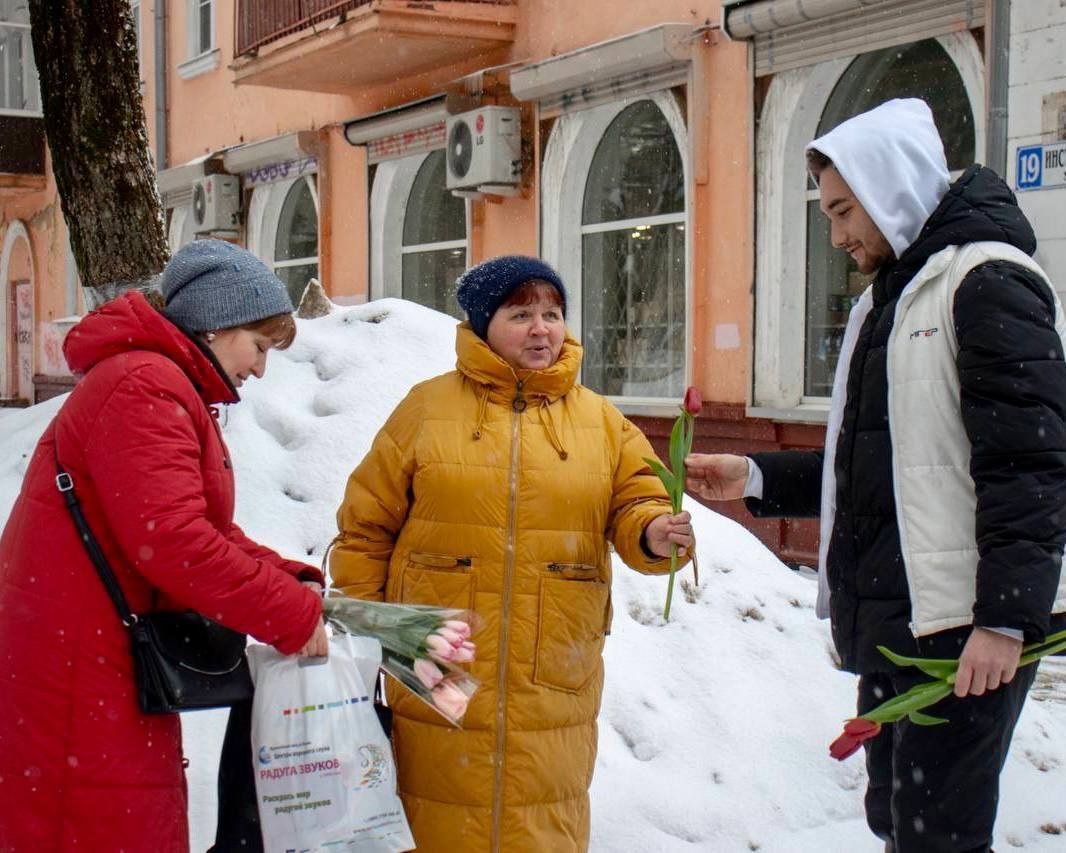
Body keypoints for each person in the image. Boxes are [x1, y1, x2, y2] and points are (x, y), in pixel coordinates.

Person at [686, 98, 1066, 852]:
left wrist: (1004, 620)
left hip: (964, 627)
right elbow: (879, 463)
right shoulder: (890, 300)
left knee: (940, 836)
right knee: (900, 821)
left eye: (844, 210)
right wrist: (755, 475)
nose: (838, 236)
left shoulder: (985, 282)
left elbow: (1031, 463)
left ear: (891, 184)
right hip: (906, 621)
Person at [330, 255, 694, 852]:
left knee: (541, 809)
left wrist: (654, 534)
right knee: (435, 809)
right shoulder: (426, 408)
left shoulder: (601, 422)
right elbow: (366, 528)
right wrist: (368, 627)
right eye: (520, 313)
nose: (541, 329)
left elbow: (638, 499)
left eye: (552, 314)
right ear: (481, 325)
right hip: (435, 655)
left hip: (553, 661)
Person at [0, 239, 329, 852]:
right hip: (82, 671)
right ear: (217, 325)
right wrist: (289, 614)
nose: (260, 369)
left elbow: (192, 526)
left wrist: (286, 578)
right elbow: (172, 544)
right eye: (258, 347)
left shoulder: (155, 381)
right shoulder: (145, 387)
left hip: (92, 653)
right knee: (99, 825)